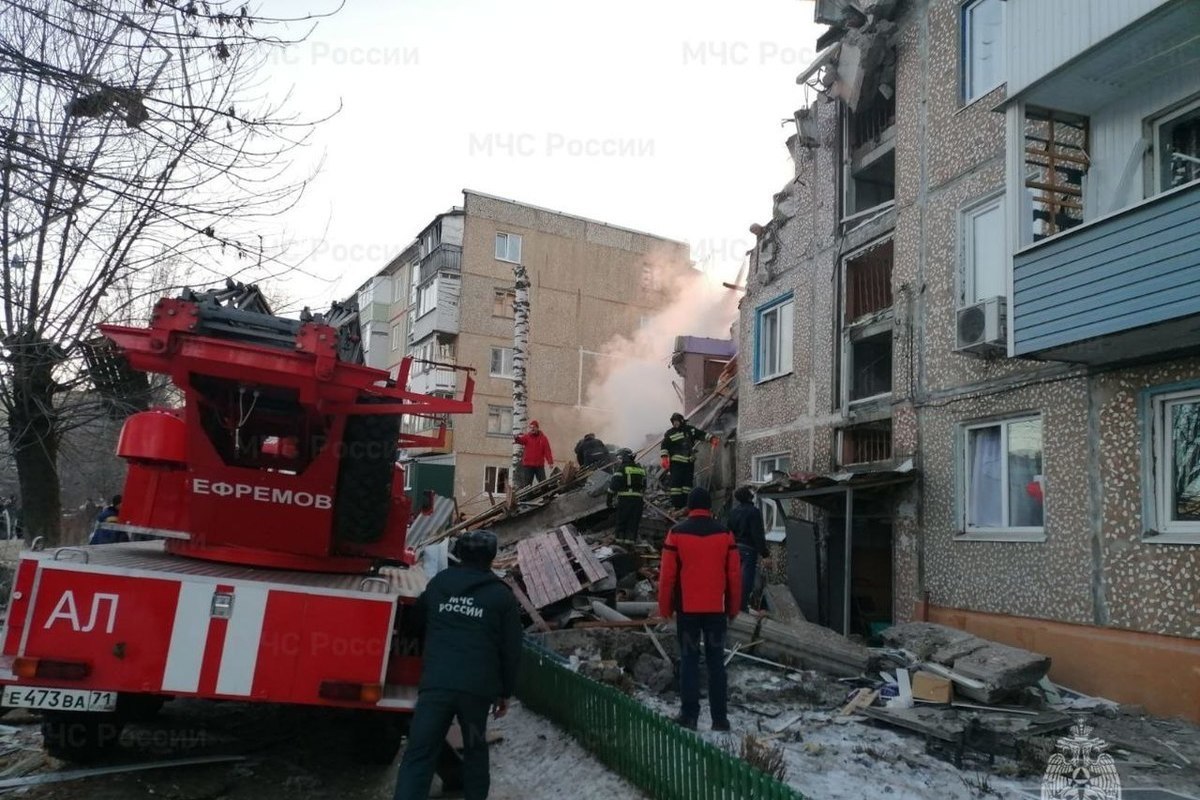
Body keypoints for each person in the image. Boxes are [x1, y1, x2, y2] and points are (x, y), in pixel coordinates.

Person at [393, 529, 523, 800]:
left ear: (459, 554)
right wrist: (505, 692)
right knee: (475, 750)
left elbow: (414, 624)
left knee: (420, 753)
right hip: (476, 694)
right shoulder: (502, 596)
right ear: (492, 557)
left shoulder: (440, 584)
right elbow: (511, 649)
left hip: (436, 688)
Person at [657, 487, 741, 732]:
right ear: (709, 508)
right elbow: (734, 576)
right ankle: (720, 719)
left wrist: (665, 608)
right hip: (716, 611)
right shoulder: (725, 534)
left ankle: (689, 716)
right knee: (716, 664)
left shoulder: (676, 534)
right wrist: (733, 608)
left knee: (689, 661)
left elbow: (667, 578)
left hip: (688, 611)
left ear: (689, 506)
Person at [727, 486, 770, 612]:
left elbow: (728, 531)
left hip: (734, 548)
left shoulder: (733, 512)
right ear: (748, 496)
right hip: (748, 549)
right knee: (746, 580)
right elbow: (757, 534)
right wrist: (765, 554)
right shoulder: (754, 512)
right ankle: (741, 606)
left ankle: (732, 604)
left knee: (734, 578)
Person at [659, 413, 712, 510]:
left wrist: (712, 439)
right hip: (676, 464)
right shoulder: (670, 433)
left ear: (681, 421)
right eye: (673, 422)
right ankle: (677, 505)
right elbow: (664, 446)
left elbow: (701, 434)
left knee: (687, 485)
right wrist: (664, 457)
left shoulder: (690, 430)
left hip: (688, 463)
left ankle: (686, 505)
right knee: (676, 485)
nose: (675, 424)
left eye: (676, 421)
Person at [606, 448, 646, 545]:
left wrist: (609, 501)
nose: (619, 460)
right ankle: (629, 546)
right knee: (633, 523)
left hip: (625, 500)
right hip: (638, 500)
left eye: (619, 458)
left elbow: (613, 487)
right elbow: (644, 486)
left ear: (623, 457)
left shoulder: (621, 469)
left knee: (621, 522)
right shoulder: (641, 469)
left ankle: (620, 545)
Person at [513, 420, 554, 489]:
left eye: (534, 427)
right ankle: (527, 499)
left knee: (543, 482)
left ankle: (547, 497)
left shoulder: (543, 438)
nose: (532, 429)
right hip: (528, 465)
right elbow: (521, 440)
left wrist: (550, 462)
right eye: (531, 427)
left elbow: (547, 451)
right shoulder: (527, 437)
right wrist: (517, 438)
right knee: (527, 484)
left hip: (539, 465)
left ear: (537, 428)